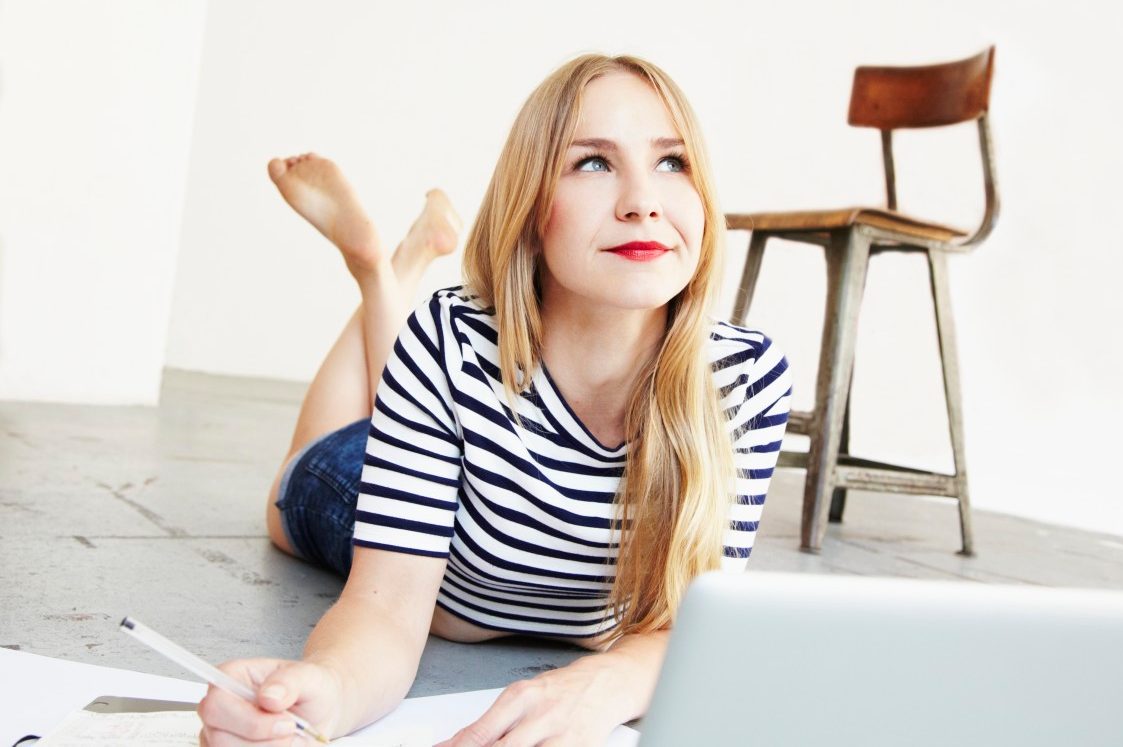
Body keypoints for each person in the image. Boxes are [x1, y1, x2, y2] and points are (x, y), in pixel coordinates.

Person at [197, 54, 792, 747]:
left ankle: (394, 267)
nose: (643, 201)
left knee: (425, 363)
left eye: (673, 162)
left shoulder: (744, 376)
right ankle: (378, 275)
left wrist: (598, 687)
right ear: (532, 207)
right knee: (298, 477)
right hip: (386, 497)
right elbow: (384, 610)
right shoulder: (448, 341)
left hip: (466, 434)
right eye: (594, 163)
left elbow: (692, 627)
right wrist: (326, 686)